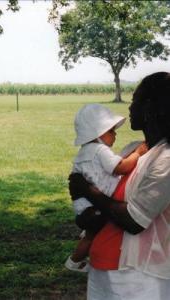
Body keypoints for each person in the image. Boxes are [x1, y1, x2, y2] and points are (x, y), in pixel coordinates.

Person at [69, 72, 170, 300]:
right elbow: (93, 212)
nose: (130, 108)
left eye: (135, 101)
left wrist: (87, 190)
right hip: (103, 268)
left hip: (139, 279)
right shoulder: (131, 150)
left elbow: (134, 221)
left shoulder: (166, 160)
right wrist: (83, 211)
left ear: (151, 108)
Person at [65, 103, 147, 272]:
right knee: (92, 236)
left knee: (90, 235)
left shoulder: (84, 152)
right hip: (96, 209)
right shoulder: (100, 150)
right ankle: (74, 261)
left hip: (85, 208)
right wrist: (137, 153)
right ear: (99, 133)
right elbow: (120, 167)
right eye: (111, 130)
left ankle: (76, 259)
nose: (115, 134)